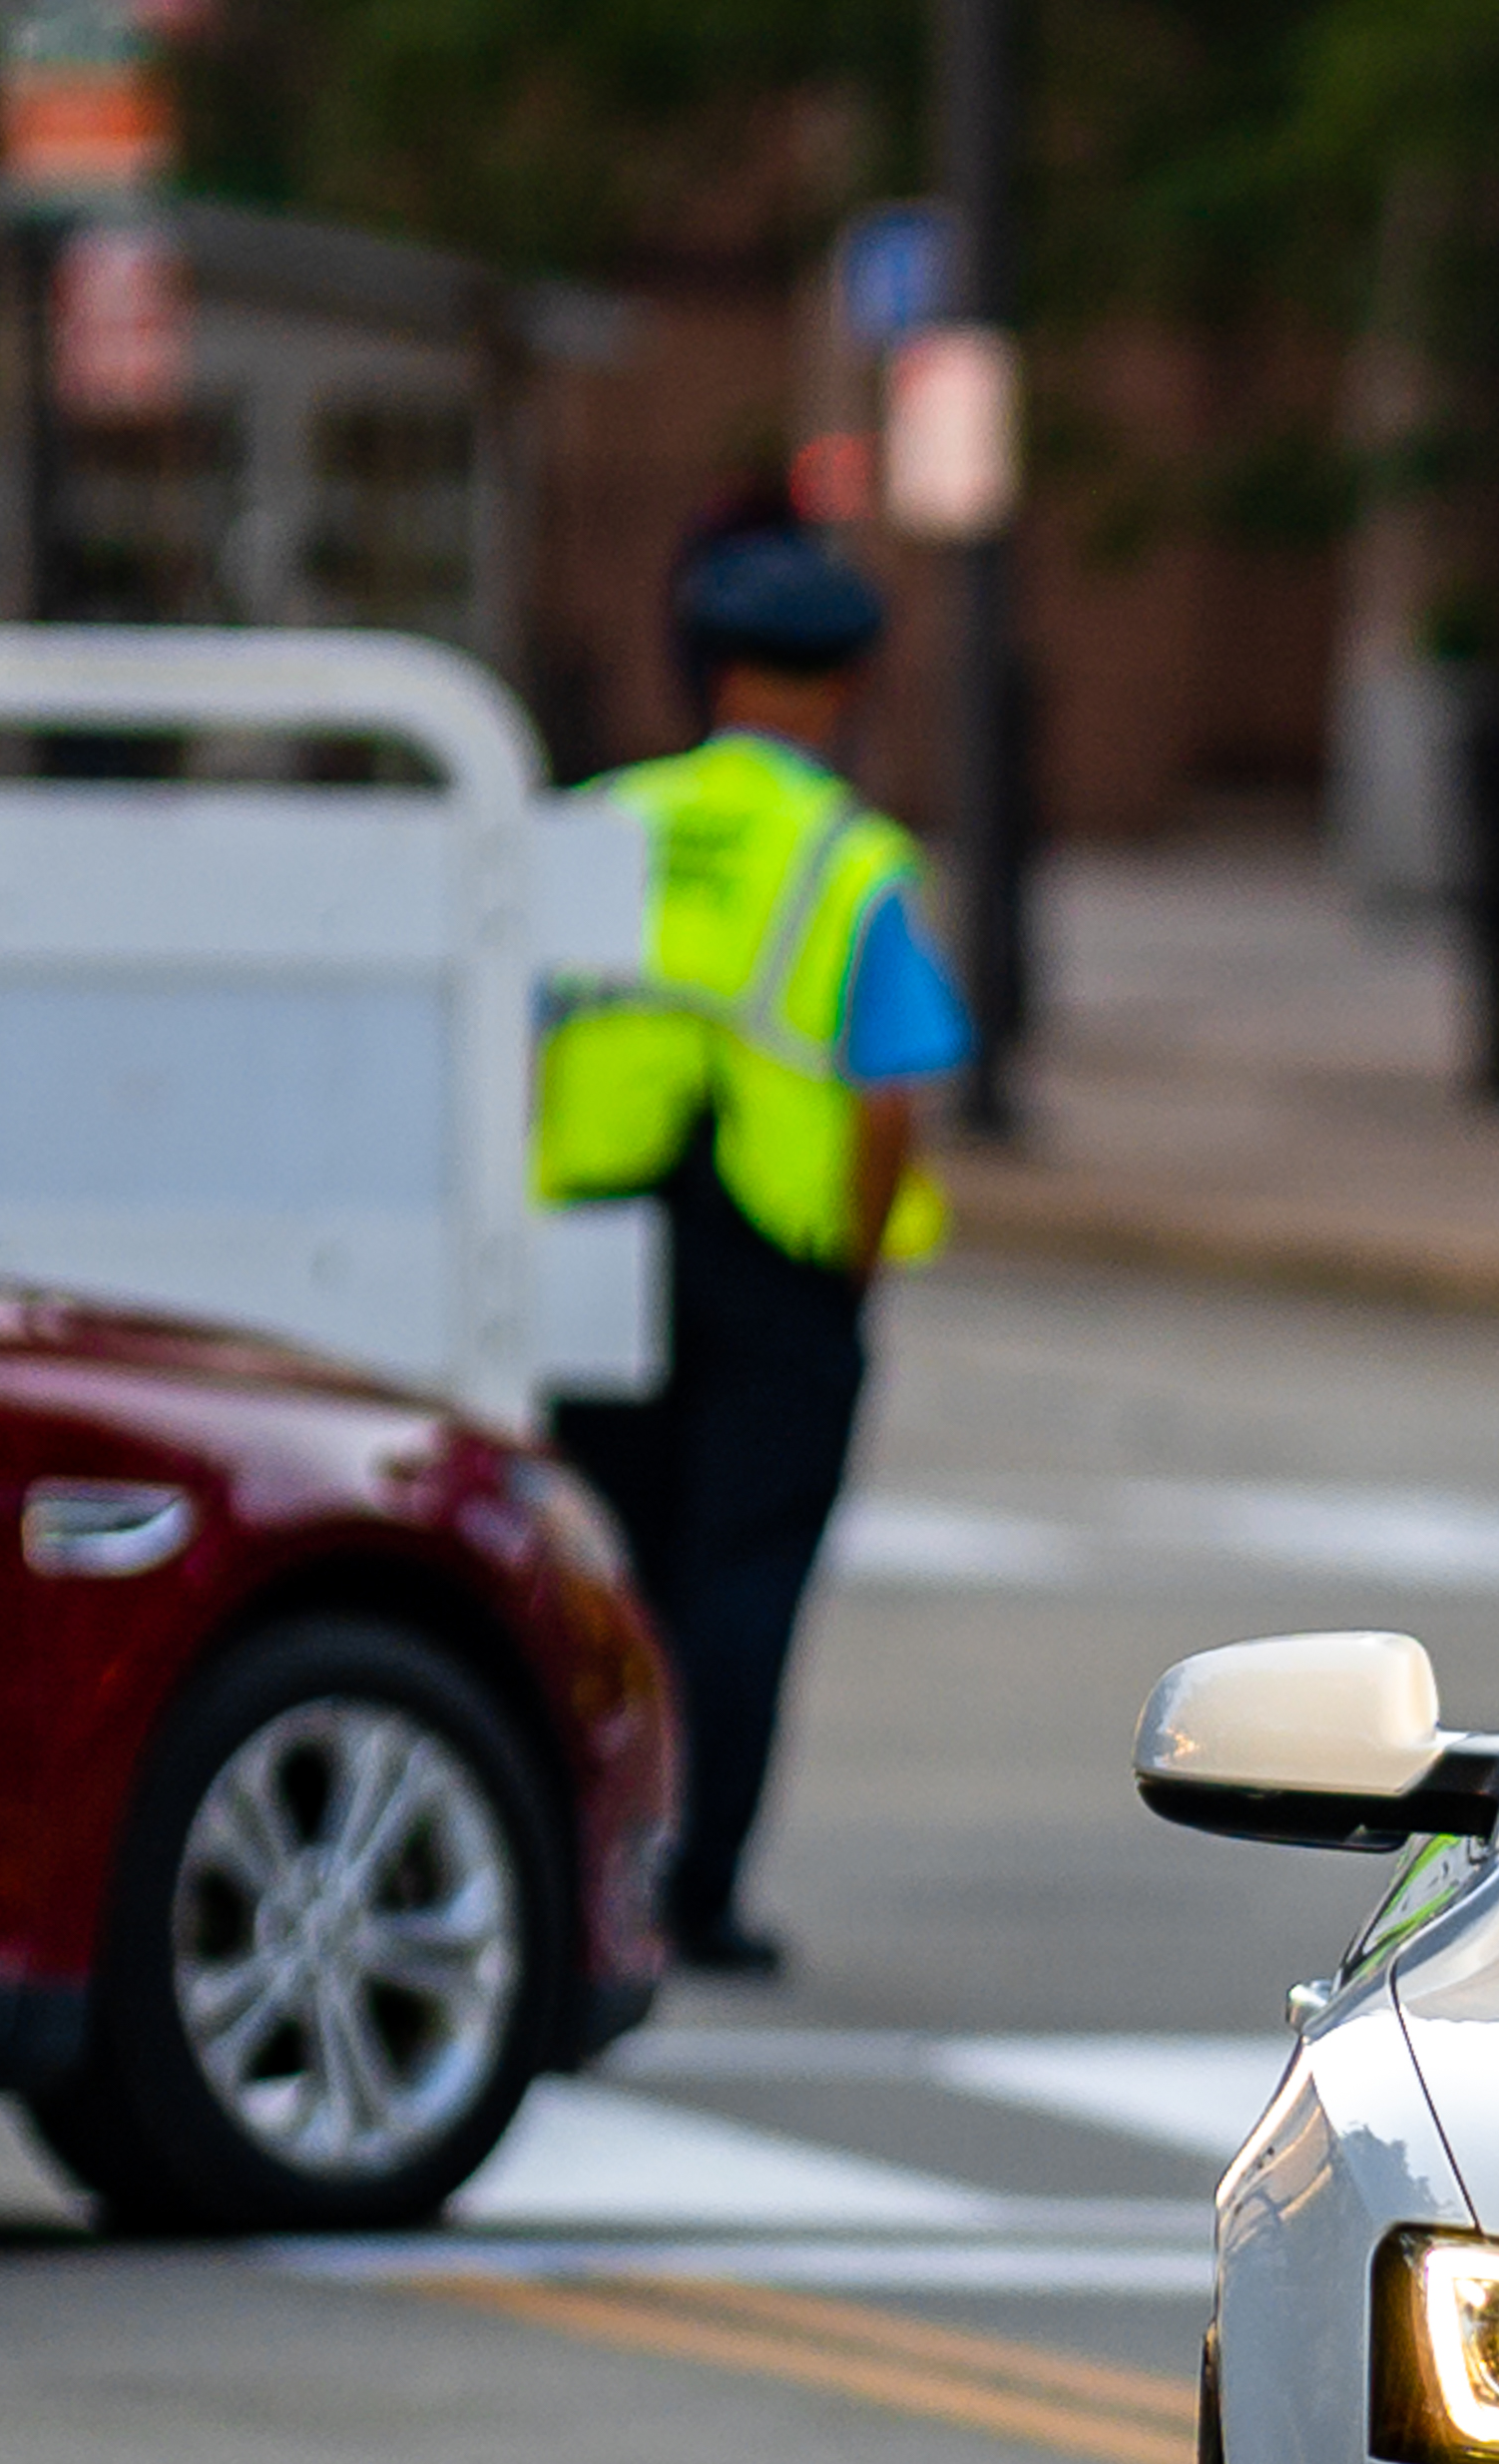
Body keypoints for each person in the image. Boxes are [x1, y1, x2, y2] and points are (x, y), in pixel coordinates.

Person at [533, 529, 973, 1981]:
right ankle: (698, 1892)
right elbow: (886, 1100)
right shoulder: (849, 863)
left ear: (705, 670)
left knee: (604, 1574)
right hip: (779, 1267)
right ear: (847, 682)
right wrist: (849, 1264)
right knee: (744, 1584)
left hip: (595, 1245)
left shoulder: (603, 820)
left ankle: (580, 1869)